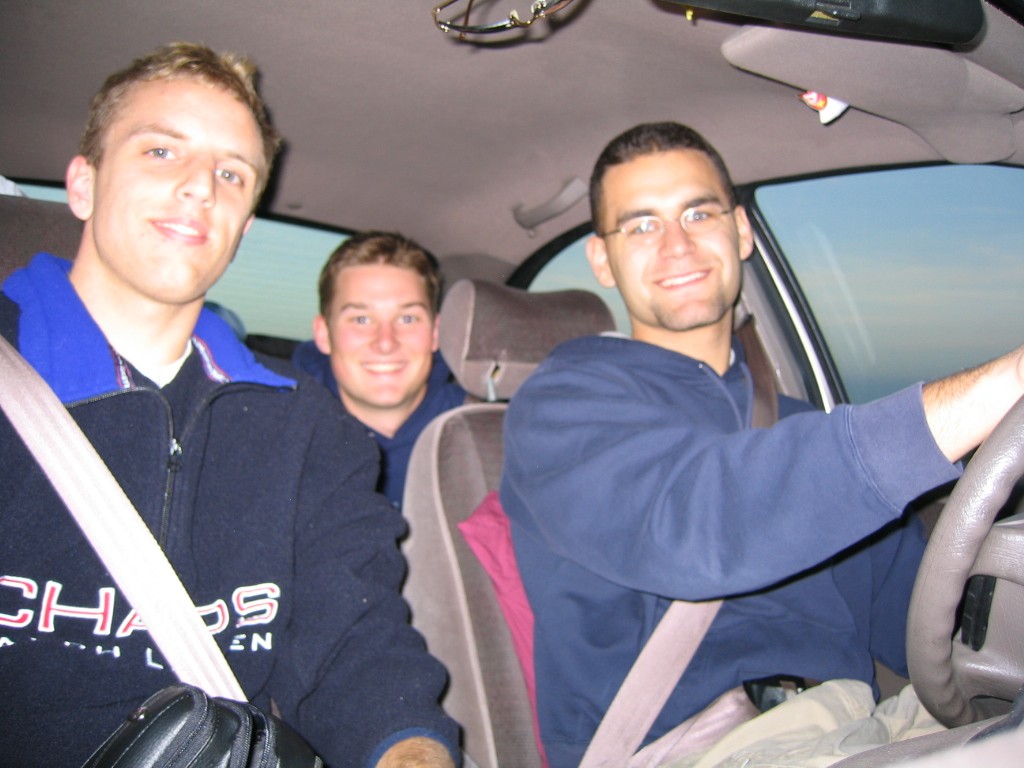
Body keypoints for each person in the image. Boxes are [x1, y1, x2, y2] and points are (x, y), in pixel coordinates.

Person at [499, 121, 1024, 767]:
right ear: (602, 259)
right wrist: (1002, 386)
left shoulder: (796, 425)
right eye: (640, 225)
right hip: (696, 747)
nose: (676, 245)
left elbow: (920, 614)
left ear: (741, 231)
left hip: (864, 724)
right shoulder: (561, 409)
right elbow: (703, 520)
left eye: (698, 213)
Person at [0, 43, 458, 768]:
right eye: (161, 151)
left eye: (231, 173)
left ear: (243, 227)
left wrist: (410, 751)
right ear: (82, 185)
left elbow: (356, 644)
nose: (199, 187)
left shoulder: (309, 428)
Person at [292, 231, 466, 508]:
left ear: (435, 333)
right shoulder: (282, 436)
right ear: (324, 334)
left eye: (407, 318)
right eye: (361, 319)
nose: (386, 342)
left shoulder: (485, 434)